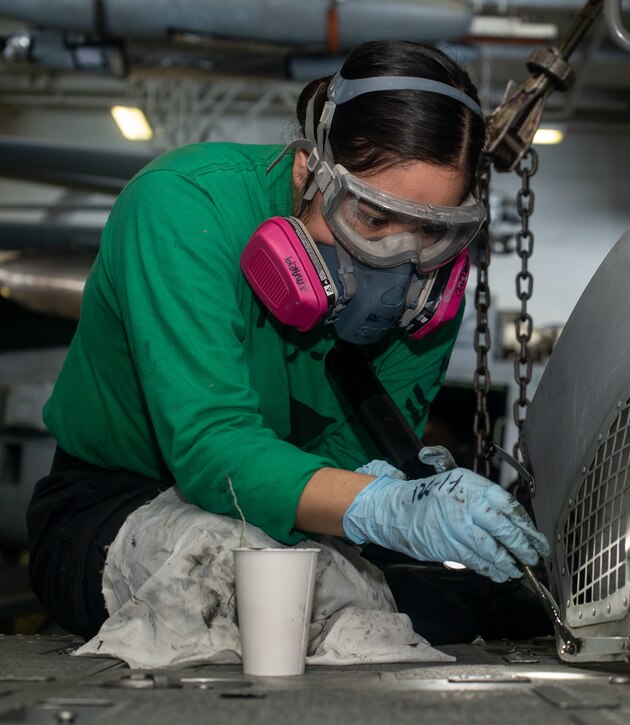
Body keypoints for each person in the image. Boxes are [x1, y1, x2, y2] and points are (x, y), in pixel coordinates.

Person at [26, 40, 550, 646]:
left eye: (432, 231)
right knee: (248, 596)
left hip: (287, 515)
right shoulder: (185, 206)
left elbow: (344, 463)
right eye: (373, 220)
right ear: (310, 173)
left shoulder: (431, 295)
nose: (400, 262)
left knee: (453, 616)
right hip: (110, 504)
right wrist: (387, 507)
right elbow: (212, 448)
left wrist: (399, 490)